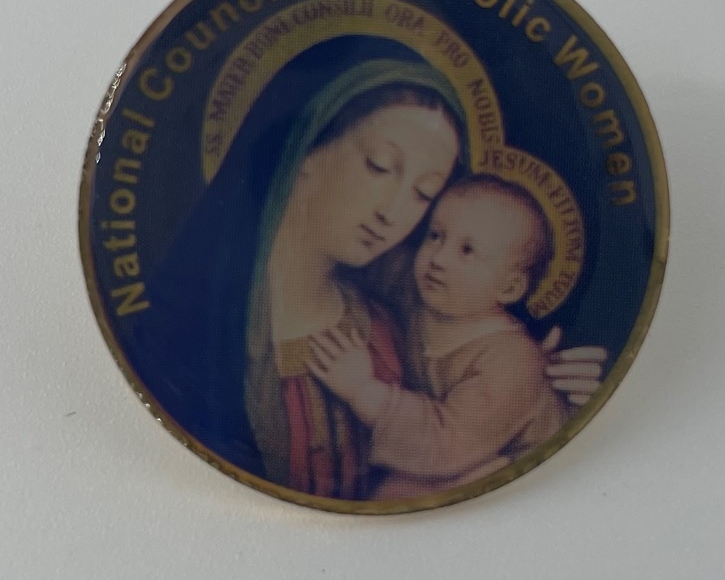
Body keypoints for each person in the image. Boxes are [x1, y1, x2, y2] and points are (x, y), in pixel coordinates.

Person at [132, 55, 605, 500]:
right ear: (305, 151)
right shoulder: (190, 328)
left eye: (423, 194)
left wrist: (549, 396)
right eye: (380, 167)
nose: (394, 213)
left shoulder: (389, 324)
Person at [309, 174, 571, 499]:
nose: (439, 259)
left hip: (515, 480)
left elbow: (446, 446)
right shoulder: (419, 292)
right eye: (435, 236)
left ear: (509, 287)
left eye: (467, 251)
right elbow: (373, 265)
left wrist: (363, 390)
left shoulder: (512, 361)